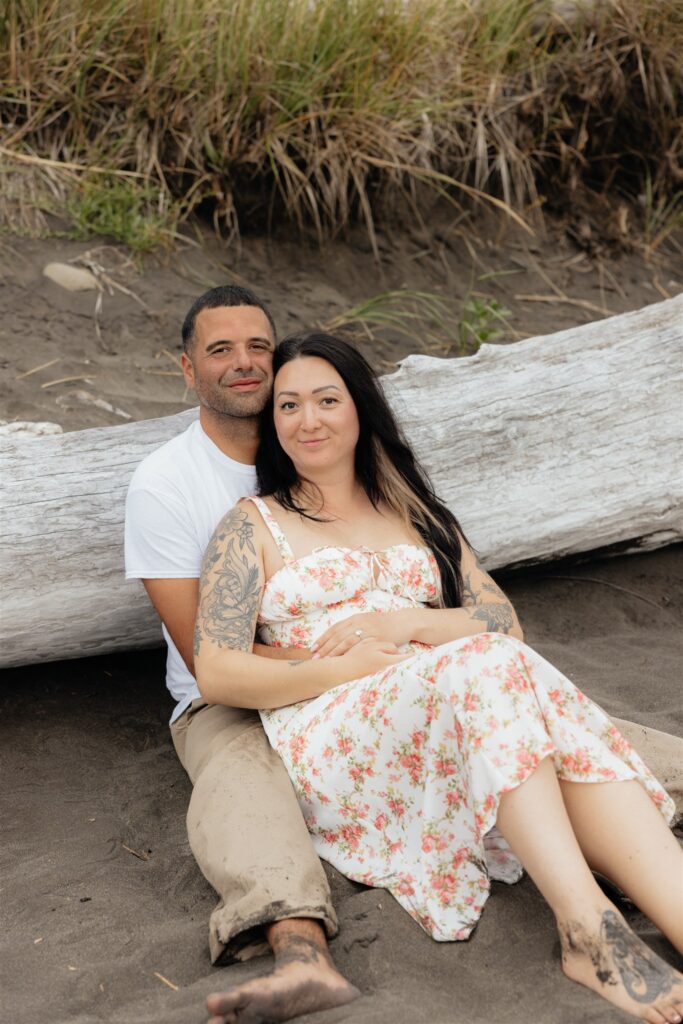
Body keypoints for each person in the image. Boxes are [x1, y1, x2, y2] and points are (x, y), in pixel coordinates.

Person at [193, 331, 683, 1024]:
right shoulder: (251, 526)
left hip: (449, 693)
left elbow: (501, 625)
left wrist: (404, 626)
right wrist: (336, 667)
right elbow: (215, 668)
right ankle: (585, 928)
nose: (307, 420)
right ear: (272, 422)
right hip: (334, 729)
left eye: (326, 400)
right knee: (499, 679)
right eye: (288, 405)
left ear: (360, 409)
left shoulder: (412, 511)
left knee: (506, 679)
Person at [125, 288, 359, 1022]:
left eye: (257, 346)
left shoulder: (318, 445)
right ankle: (299, 950)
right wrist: (332, 661)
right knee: (239, 782)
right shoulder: (166, 483)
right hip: (227, 694)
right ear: (186, 369)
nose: (244, 363)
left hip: (351, 666)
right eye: (220, 350)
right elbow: (206, 655)